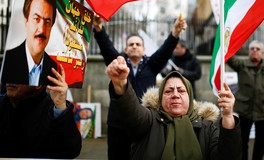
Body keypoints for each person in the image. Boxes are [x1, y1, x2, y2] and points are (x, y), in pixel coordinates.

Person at [106, 56, 242, 160]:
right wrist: (121, 84)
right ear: (160, 98)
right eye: (168, 91)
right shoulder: (149, 120)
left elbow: (229, 156)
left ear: (190, 97)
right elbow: (132, 112)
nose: (175, 95)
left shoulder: (207, 128)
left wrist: (228, 115)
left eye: (181, 91)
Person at [93, 15, 187, 159]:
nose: (134, 46)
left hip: (144, 122)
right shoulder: (119, 63)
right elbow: (107, 47)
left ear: (144, 50)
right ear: (125, 49)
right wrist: (99, 29)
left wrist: (175, 32)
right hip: (118, 123)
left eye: (138, 44)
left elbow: (165, 50)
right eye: (131, 44)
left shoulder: (152, 64)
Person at [0, 64, 82, 158]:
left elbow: (71, 151)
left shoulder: (53, 109)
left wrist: (60, 108)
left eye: (19, 74)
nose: (10, 79)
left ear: (38, 83)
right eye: (9, 73)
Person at [227, 40, 264, 160]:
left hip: (263, 111)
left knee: (261, 141)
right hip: (245, 111)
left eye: (257, 49)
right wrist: (225, 41)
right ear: (249, 52)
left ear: (262, 53)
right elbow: (228, 56)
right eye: (252, 49)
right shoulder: (241, 65)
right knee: (242, 140)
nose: (254, 50)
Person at [1, 0, 58, 94]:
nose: (41, 29)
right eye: (36, 19)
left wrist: (59, 106)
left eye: (47, 22)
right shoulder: (8, 61)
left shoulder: (53, 68)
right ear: (26, 20)